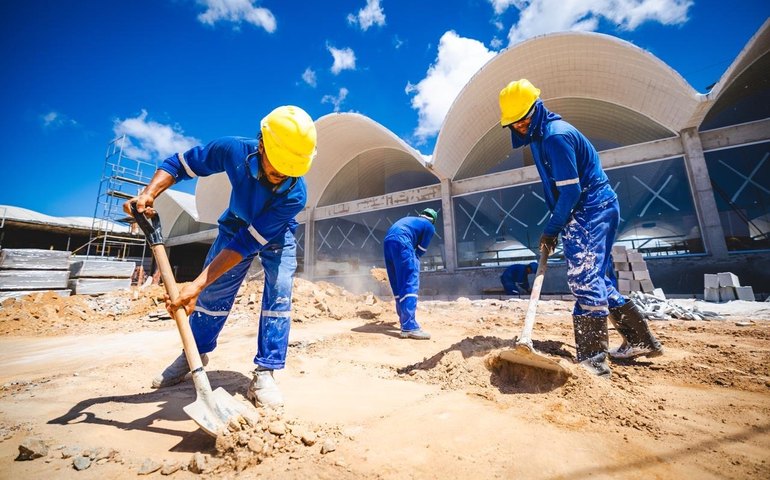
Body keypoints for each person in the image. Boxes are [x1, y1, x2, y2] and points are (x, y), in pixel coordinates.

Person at [123, 105, 317, 408]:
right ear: (262, 145)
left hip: (275, 236)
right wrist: (150, 193)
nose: (280, 179)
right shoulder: (233, 150)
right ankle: (193, 354)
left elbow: (247, 244)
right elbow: (179, 164)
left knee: (280, 292)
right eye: (276, 169)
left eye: (289, 173)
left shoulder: (295, 194)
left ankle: (266, 371)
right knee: (213, 296)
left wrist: (195, 284)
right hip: (235, 225)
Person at [498, 79, 663, 377]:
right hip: (580, 210)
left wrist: (552, 229)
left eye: (524, 120)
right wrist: (559, 224)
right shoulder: (537, 136)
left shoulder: (555, 137)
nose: (520, 127)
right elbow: (561, 190)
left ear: (536, 109)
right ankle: (639, 339)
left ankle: (593, 362)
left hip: (591, 208)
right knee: (595, 278)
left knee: (584, 279)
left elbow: (571, 193)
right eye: (514, 123)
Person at [383, 208, 438, 340]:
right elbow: (421, 250)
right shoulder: (429, 226)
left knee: (397, 283)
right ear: (433, 220)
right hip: (403, 241)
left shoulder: (411, 220)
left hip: (388, 242)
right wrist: (414, 261)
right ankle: (410, 327)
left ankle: (404, 320)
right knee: (409, 283)